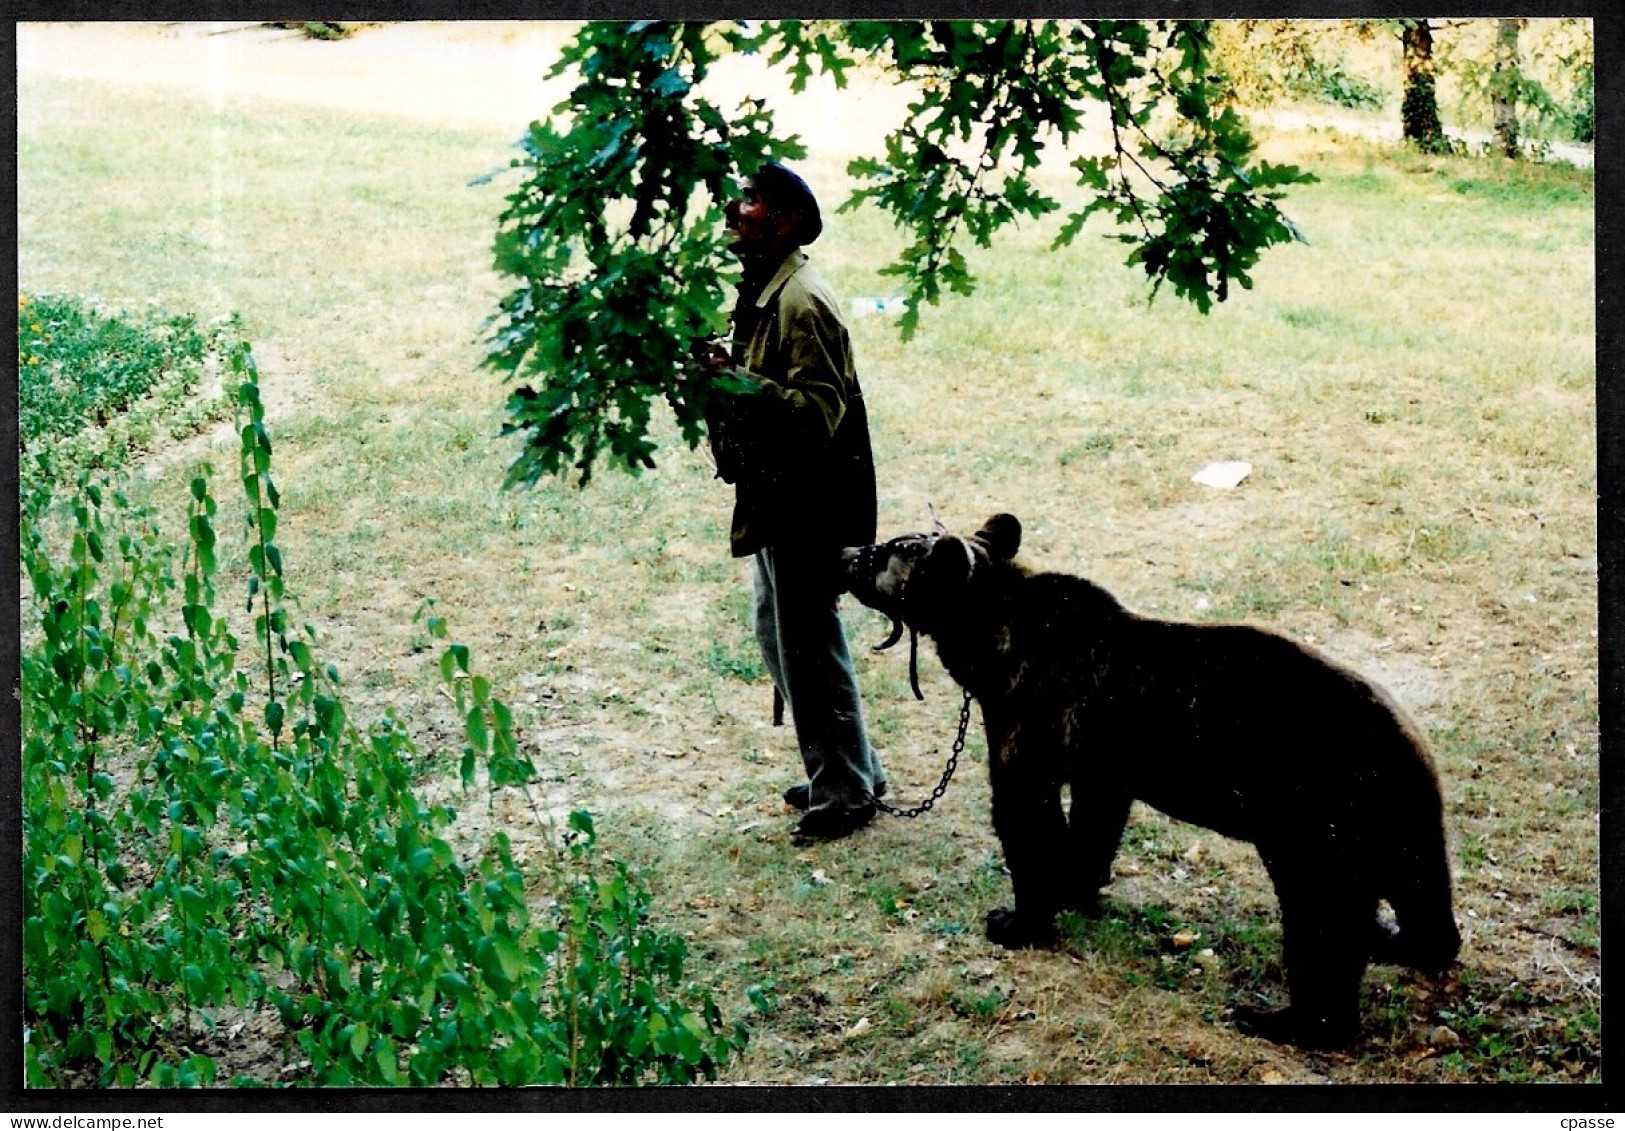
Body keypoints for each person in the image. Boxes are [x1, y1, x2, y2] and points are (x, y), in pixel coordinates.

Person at [699, 161, 888, 843]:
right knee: (779, 630)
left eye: (748, 200)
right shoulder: (767, 288)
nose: (733, 207)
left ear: (781, 220)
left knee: (806, 643)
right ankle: (852, 764)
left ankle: (845, 791)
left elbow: (816, 414)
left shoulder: (801, 300)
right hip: (781, 493)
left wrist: (733, 383)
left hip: (811, 499)